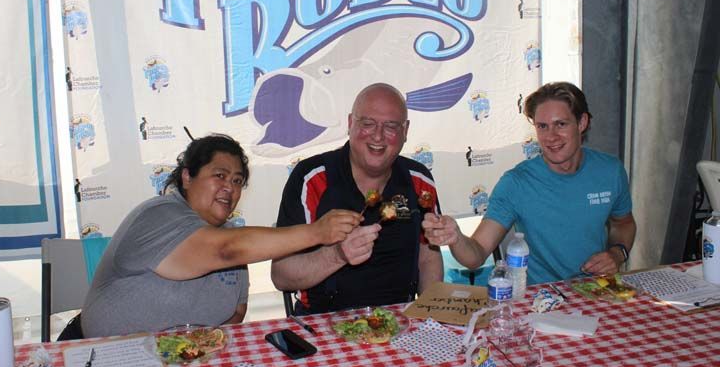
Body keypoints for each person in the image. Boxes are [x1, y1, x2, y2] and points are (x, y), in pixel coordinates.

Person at [80, 134, 361, 338]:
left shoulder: (234, 238)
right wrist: (317, 232)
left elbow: (236, 312)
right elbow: (224, 251)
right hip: (109, 355)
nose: (230, 187)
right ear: (187, 177)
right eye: (220, 175)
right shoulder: (158, 215)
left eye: (237, 181)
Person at [423, 82, 636, 284]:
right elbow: (475, 255)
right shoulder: (516, 183)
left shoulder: (610, 171)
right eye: (542, 126)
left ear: (582, 123)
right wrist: (456, 237)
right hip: (538, 300)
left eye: (560, 124)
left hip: (596, 291)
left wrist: (617, 253)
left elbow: (623, 223)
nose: (550, 136)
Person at [271, 83, 443, 314]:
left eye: (391, 126)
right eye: (368, 124)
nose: (378, 136)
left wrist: (430, 314)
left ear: (405, 130)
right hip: (324, 323)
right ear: (351, 123)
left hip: (402, 317)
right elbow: (281, 274)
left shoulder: (419, 180)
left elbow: (428, 256)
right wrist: (337, 255)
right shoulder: (311, 178)